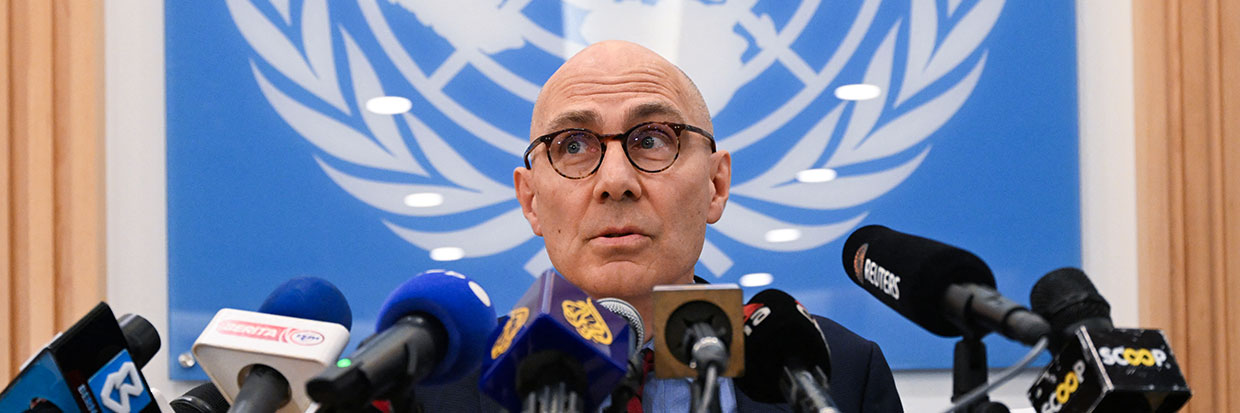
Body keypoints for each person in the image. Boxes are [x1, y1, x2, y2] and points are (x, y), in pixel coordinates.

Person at [417, 40, 903, 412]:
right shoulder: (436, 389)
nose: (615, 181)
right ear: (531, 201)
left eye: (652, 139)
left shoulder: (837, 371)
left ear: (716, 184)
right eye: (572, 145)